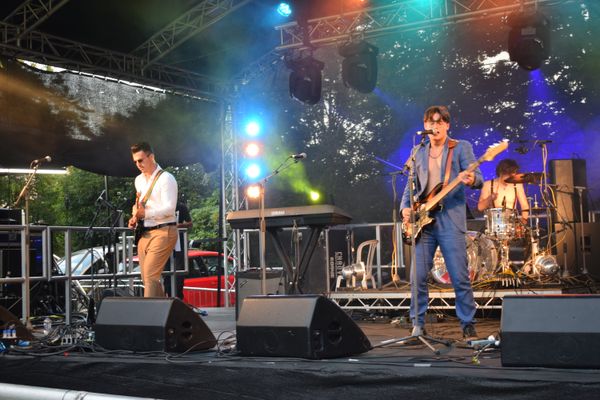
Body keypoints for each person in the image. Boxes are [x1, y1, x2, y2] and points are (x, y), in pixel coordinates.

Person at [401, 105, 483, 339]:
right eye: (430, 122)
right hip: (423, 222)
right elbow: (410, 185)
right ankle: (417, 325)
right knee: (417, 277)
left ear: (447, 125)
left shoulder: (460, 147)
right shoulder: (418, 150)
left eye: (439, 122)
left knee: (459, 276)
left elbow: (479, 179)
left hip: (450, 219)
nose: (434, 126)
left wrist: (470, 180)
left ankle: (467, 324)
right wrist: (405, 207)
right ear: (425, 125)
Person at [128, 142, 178, 297]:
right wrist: (134, 217)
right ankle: (164, 310)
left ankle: (147, 313)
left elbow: (170, 209)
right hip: (144, 232)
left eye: (140, 160)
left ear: (151, 157)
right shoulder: (138, 180)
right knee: (148, 279)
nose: (138, 164)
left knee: (150, 276)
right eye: (135, 161)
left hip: (164, 230)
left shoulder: (166, 178)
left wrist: (146, 214)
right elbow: (141, 206)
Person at [477, 158, 530, 224]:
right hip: (494, 224)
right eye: (509, 176)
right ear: (501, 173)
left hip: (512, 224)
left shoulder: (517, 185)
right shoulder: (488, 185)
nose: (511, 179)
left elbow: (524, 206)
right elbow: (480, 207)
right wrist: (490, 198)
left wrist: (523, 221)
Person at [164, 195, 193, 299]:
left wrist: (178, 226)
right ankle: (168, 294)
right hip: (165, 241)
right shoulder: (161, 207)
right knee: (166, 271)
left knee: (179, 270)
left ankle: (177, 296)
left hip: (179, 242)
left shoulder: (181, 207)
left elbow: (190, 223)